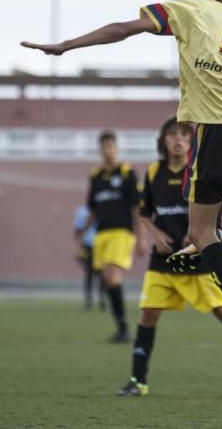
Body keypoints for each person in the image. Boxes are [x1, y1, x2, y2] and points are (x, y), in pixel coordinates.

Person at [21, 0, 222, 367]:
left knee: (203, 232)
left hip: (218, 128)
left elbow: (125, 28)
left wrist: (67, 45)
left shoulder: (189, 8)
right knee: (201, 212)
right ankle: (204, 237)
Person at [117, 118, 222, 398]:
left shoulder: (198, 170)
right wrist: (155, 235)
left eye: (183, 134)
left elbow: (217, 214)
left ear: (190, 140)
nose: (178, 139)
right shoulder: (155, 171)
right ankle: (137, 381)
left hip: (197, 264)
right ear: (164, 140)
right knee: (147, 316)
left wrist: (196, 235)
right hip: (163, 265)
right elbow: (144, 212)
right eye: (172, 135)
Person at [81, 131, 140, 342]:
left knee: (110, 277)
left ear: (117, 148)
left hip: (122, 233)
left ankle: (124, 328)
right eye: (104, 146)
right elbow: (93, 208)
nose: (108, 150)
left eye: (111, 146)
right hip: (101, 234)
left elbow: (137, 208)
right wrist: (81, 233)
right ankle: (122, 327)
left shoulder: (126, 172)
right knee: (108, 281)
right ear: (100, 149)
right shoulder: (95, 175)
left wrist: (141, 239)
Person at [73, 204, 105, 310]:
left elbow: (77, 231)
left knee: (99, 272)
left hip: (101, 243)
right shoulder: (83, 211)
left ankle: (100, 298)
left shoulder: (104, 208)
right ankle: (91, 297)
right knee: (92, 271)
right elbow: (78, 229)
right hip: (89, 244)